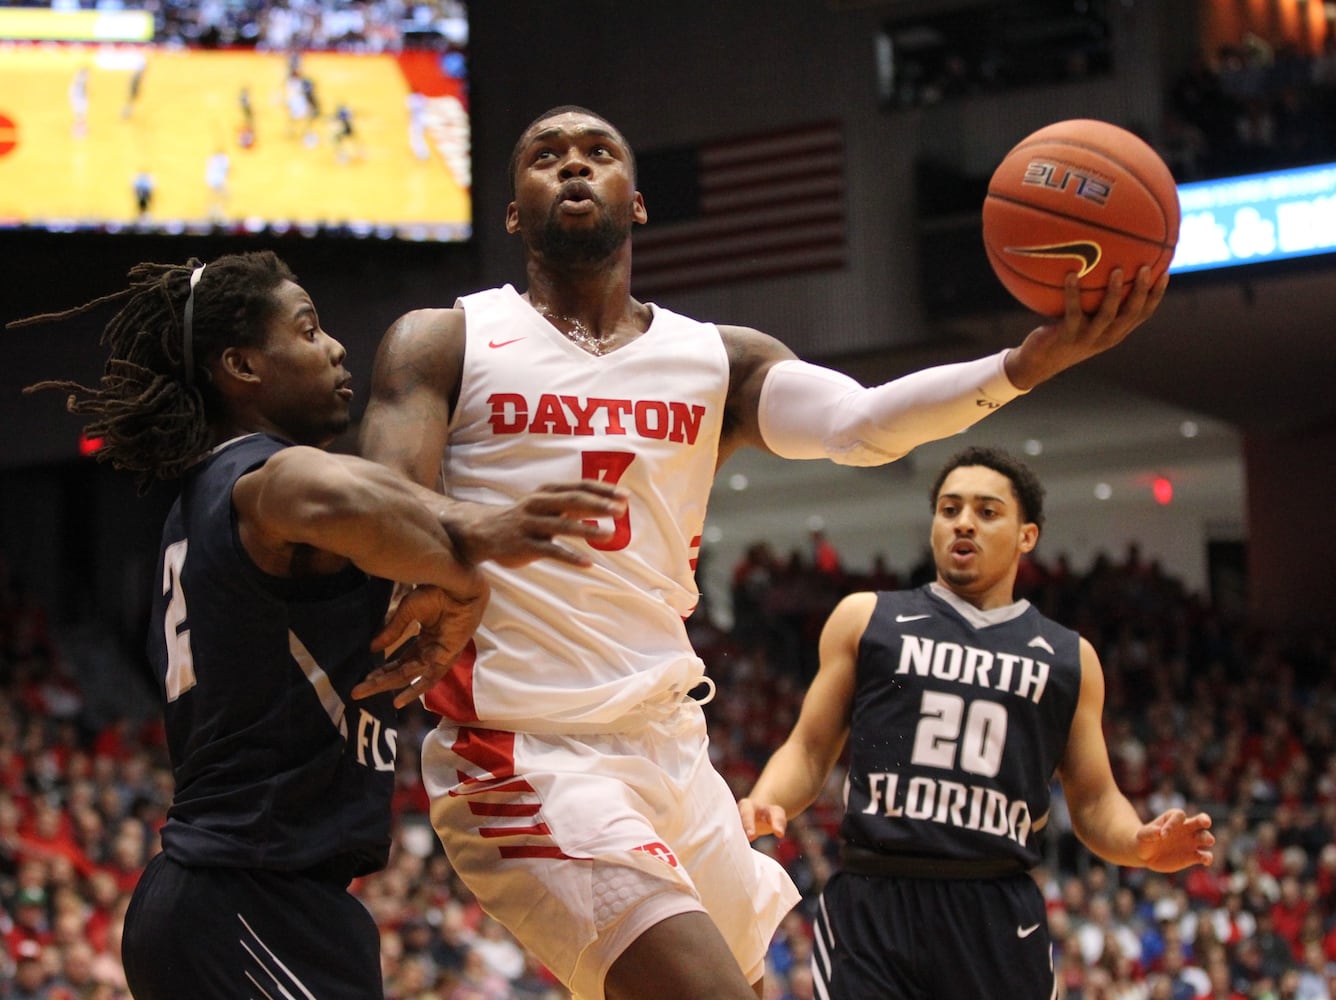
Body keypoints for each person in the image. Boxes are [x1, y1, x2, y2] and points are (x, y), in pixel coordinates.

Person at [356, 105, 1170, 1000]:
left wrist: (1023, 364)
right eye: (546, 157)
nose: (574, 167)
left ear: (638, 204)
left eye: (599, 154)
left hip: (670, 745)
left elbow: (863, 426)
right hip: (524, 750)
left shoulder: (716, 361)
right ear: (513, 211)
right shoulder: (446, 339)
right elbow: (380, 509)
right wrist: (439, 563)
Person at [13, 250, 623, 999]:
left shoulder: (201, 504)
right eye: (307, 330)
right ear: (241, 366)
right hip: (247, 896)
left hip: (249, 899)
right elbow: (319, 488)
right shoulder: (261, 479)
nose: (336, 347)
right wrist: (470, 537)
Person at [738, 445, 1216, 1000]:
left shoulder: (1067, 658)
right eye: (949, 508)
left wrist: (1138, 843)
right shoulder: (867, 619)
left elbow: (1091, 801)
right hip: (874, 899)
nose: (964, 521)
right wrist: (767, 797)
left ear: (1026, 536)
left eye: (987, 511)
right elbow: (809, 749)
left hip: (997, 907)